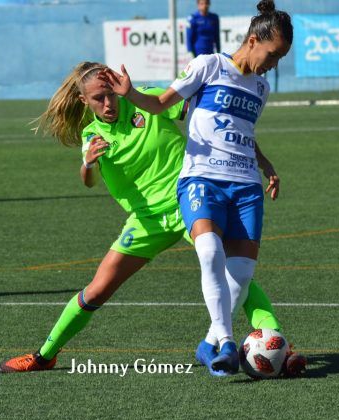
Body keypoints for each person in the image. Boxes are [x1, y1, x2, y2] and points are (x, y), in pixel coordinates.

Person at [0, 61, 304, 377]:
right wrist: (88, 164)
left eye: (110, 95)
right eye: (98, 99)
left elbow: (218, 123)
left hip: (189, 202)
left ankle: (282, 347)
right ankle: (44, 355)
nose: (107, 104)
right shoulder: (93, 134)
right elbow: (88, 180)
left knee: (235, 274)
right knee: (98, 289)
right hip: (146, 220)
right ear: (83, 102)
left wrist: (262, 161)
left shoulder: (148, 101)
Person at [100, 0, 293, 374]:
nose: (275, 63)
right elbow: (159, 104)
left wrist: (265, 163)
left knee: (241, 275)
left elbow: (243, 132)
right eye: (273, 53)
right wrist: (130, 94)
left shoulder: (261, 87)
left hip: (246, 187)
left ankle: (208, 345)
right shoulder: (209, 65)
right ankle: (225, 340)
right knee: (208, 250)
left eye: (281, 56)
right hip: (202, 177)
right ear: (254, 40)